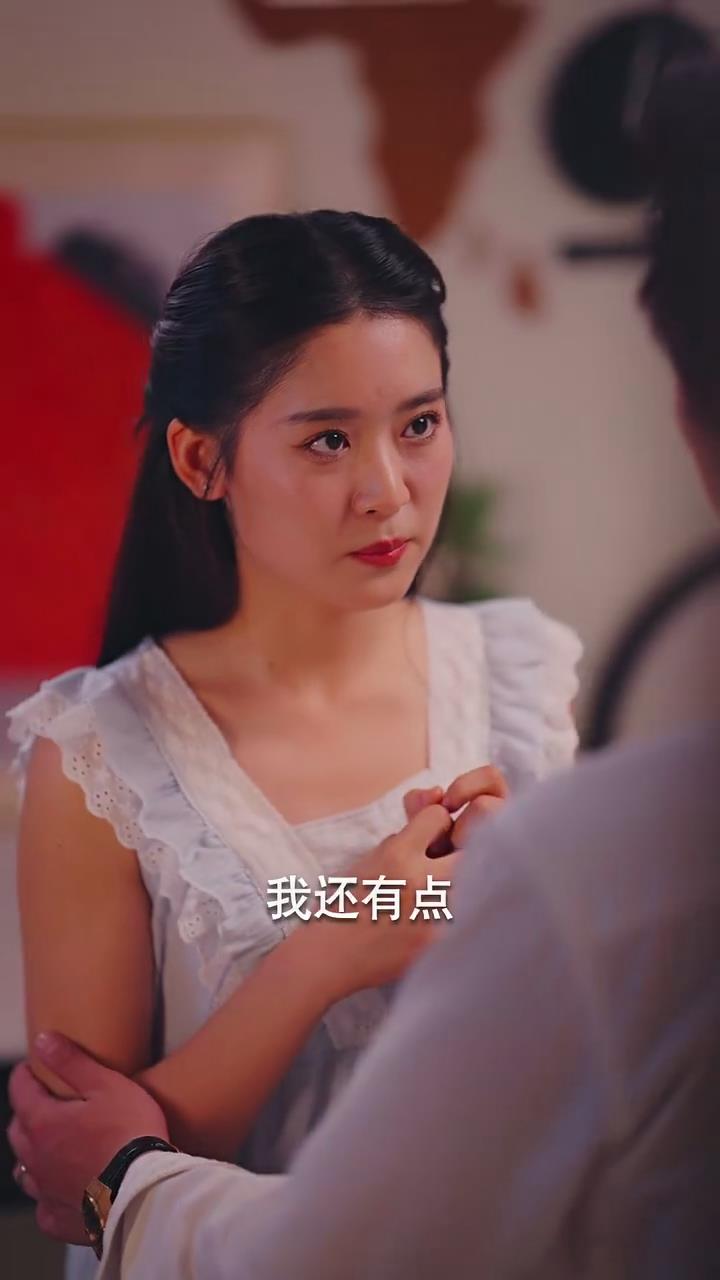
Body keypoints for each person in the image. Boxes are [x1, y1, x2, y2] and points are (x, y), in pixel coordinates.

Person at [6, 211, 581, 1276]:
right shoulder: (98, 758)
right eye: (328, 439)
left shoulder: (518, 679)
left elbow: (580, 1096)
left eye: (418, 424)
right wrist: (334, 944)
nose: (388, 490)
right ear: (201, 459)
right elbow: (86, 1188)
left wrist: (534, 918)